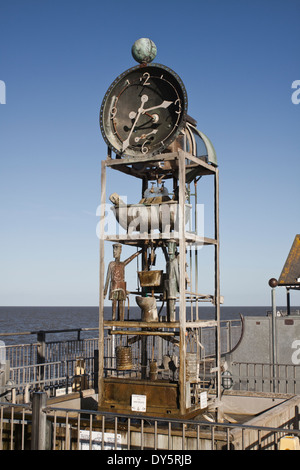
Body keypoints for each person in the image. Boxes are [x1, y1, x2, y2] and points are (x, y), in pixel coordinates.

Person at [104, 244, 141, 321]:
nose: (114, 252)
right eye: (113, 251)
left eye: (116, 250)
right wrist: (105, 292)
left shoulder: (122, 264)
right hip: (114, 286)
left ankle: (121, 319)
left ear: (120, 251)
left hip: (121, 286)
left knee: (121, 303)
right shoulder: (111, 264)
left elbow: (131, 258)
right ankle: (114, 318)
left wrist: (139, 252)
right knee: (114, 303)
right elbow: (107, 278)